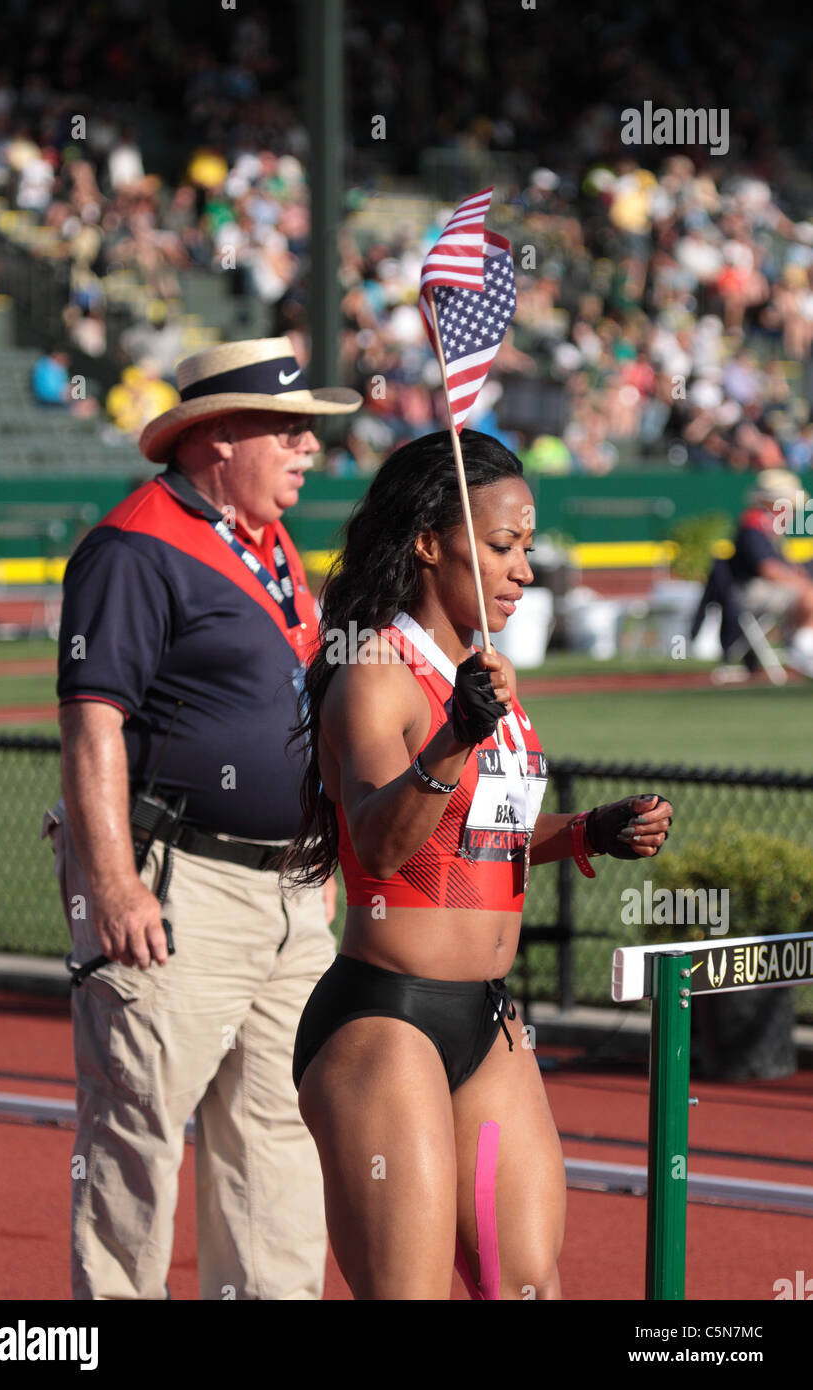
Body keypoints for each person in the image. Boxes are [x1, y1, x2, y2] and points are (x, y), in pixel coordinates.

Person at [282, 429, 673, 1300]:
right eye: (502, 546)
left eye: (527, 548)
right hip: (386, 1024)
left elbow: (474, 836)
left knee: (527, 1287)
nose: (523, 570)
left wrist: (581, 832)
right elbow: (384, 847)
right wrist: (459, 730)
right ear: (429, 542)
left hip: (489, 1023)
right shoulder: (377, 670)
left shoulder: (482, 672)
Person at [43, 337, 361, 1299]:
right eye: (291, 430)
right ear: (219, 437)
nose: (311, 450)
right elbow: (91, 721)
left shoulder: (269, 546)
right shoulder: (135, 545)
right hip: (175, 882)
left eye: (313, 434)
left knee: (277, 1136)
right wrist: (111, 882)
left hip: (284, 893)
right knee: (137, 1132)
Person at [728, 469, 813, 676]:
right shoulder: (753, 526)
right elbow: (767, 569)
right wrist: (802, 583)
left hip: (768, 590)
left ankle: (803, 650)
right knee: (809, 597)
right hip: (751, 592)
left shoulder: (770, 528)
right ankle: (803, 654)